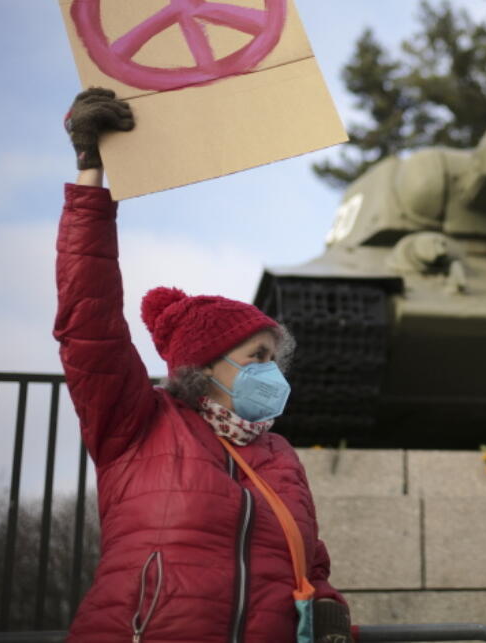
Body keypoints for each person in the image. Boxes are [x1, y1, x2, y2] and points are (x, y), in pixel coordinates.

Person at [54, 88, 351, 643]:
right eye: (256, 357)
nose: (272, 372)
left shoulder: (279, 457)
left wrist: (329, 608)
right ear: (201, 368)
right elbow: (86, 322)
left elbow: (307, 566)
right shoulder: (136, 425)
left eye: (274, 358)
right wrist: (91, 177)